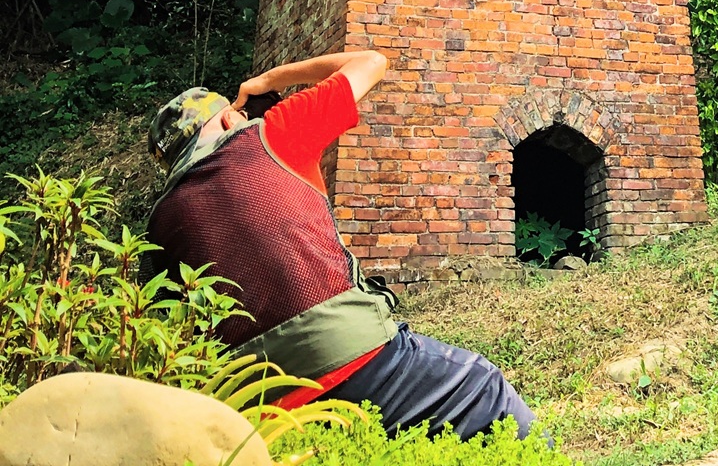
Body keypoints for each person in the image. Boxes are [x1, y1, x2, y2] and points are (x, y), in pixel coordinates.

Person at [146, 49, 536, 440]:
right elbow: (372, 62)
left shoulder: (160, 224)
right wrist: (269, 82)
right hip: (352, 359)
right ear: (231, 117)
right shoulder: (274, 131)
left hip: (257, 402)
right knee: (485, 391)